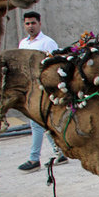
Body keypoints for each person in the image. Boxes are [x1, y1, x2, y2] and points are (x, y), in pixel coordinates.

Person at [17, 11, 65, 172]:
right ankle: (59, 151)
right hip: (29, 89)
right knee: (41, 123)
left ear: (39, 23)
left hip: (43, 88)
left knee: (36, 123)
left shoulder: (47, 43)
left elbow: (55, 66)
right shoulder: (23, 43)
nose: (30, 26)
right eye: (27, 23)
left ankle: (34, 158)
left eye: (33, 23)